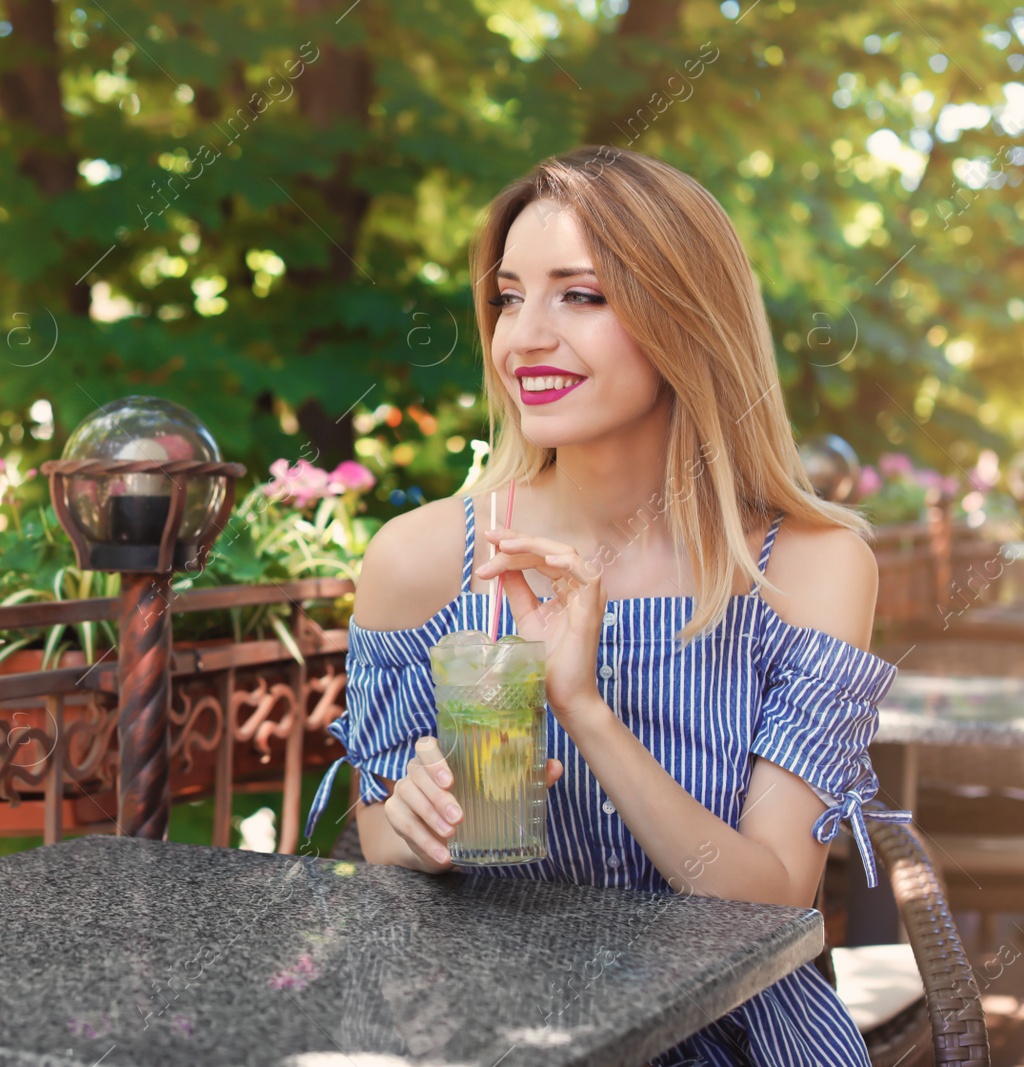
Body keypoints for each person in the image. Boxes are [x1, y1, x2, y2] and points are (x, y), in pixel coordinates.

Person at [302, 145, 910, 1066]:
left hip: (734, 1042)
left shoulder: (811, 567)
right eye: (509, 297)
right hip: (488, 1035)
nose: (524, 337)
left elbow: (774, 901)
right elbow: (382, 841)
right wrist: (418, 827)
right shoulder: (425, 561)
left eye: (579, 295)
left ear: (686, 320)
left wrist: (583, 706)